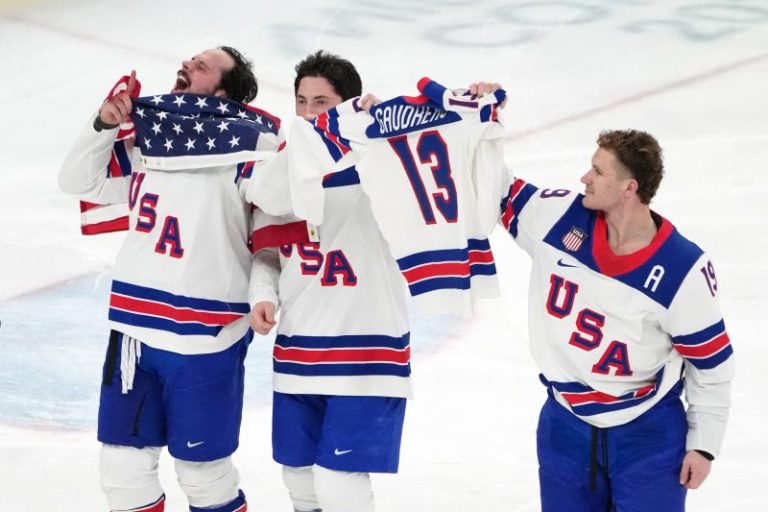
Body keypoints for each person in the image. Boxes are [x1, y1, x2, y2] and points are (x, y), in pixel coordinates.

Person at [58, 46, 281, 512]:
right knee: (121, 472)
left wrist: (264, 294)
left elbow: (272, 234)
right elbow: (78, 181)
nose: (186, 65)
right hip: (135, 331)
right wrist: (103, 124)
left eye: (201, 66)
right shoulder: (149, 140)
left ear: (224, 91)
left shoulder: (250, 152)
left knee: (204, 476)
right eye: (189, 60)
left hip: (207, 338)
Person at [498, 129, 734, 511]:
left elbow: (711, 365)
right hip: (565, 424)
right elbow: (496, 189)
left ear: (629, 187)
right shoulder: (558, 217)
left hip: (648, 435)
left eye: (597, 171)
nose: (584, 178)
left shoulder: (681, 270)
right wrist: (481, 121)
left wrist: (704, 444)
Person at [248, 50, 410, 512]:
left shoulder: (380, 164)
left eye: (321, 103)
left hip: (366, 351)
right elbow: (266, 248)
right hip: (298, 350)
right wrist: (263, 295)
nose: (306, 113)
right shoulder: (281, 171)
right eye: (301, 101)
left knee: (339, 485)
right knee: (299, 479)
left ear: (346, 106)